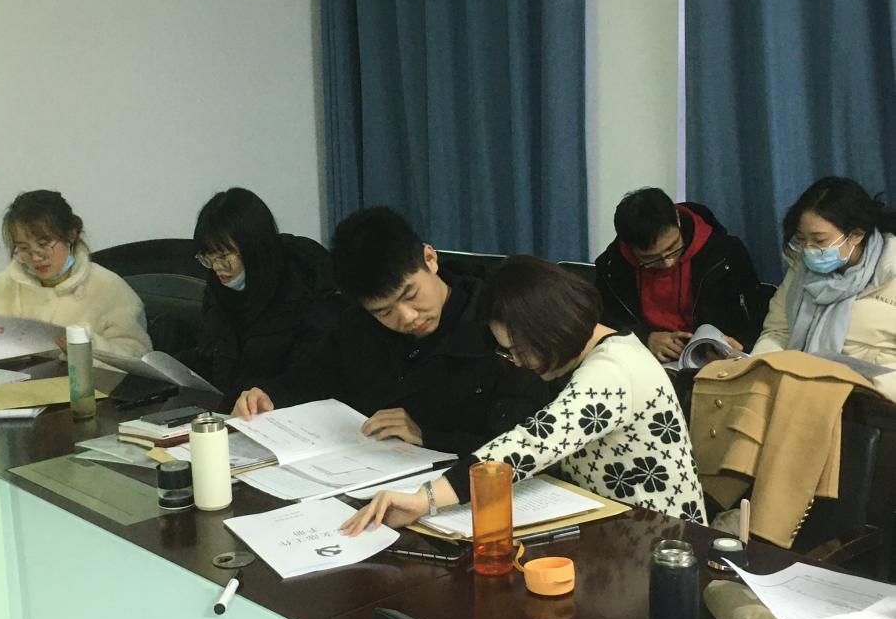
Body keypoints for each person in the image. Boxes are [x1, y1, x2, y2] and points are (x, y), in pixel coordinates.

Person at [341, 256, 708, 536]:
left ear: (547, 325)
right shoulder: (598, 351)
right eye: (508, 352)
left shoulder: (613, 372)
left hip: (665, 541)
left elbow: (532, 442)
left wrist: (426, 499)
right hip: (611, 523)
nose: (517, 362)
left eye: (518, 349)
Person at [232, 207, 554, 456]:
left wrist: (427, 436)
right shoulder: (357, 327)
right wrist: (268, 396)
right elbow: (311, 377)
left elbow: (524, 443)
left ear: (430, 259)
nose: (407, 317)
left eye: (410, 295)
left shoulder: (499, 328)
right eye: (384, 311)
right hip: (369, 478)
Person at [176, 188, 339, 400]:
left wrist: (267, 395)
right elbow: (214, 355)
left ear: (253, 248)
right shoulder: (219, 289)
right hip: (235, 409)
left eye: (224, 257)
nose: (217, 268)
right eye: (208, 258)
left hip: (285, 410)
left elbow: (312, 375)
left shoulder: (306, 285)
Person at [752, 176, 896, 401]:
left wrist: (872, 388)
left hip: (874, 401)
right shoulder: (800, 270)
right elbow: (777, 333)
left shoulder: (891, 271)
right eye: (802, 239)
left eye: (819, 241)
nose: (808, 249)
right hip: (802, 389)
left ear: (856, 235)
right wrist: (761, 371)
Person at [595, 187, 764, 363]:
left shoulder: (724, 254)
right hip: (643, 359)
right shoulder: (612, 266)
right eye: (650, 259)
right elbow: (603, 325)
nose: (668, 262)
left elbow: (754, 318)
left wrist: (732, 346)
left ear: (677, 219)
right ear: (629, 247)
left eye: (673, 248)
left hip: (713, 362)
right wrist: (645, 338)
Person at [0, 190, 151, 357]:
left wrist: (85, 348)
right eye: (24, 248)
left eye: (43, 244)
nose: (36, 257)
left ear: (71, 235)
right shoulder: (4, 286)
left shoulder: (108, 287)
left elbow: (137, 354)